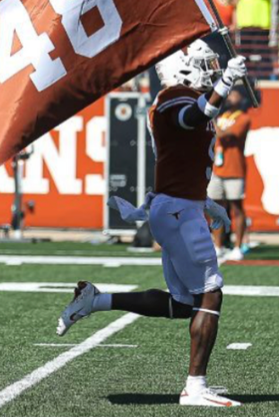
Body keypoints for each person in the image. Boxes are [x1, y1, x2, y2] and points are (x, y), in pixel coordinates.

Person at [58, 42, 247, 407]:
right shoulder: (174, 97)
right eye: (204, 63)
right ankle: (195, 388)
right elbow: (193, 117)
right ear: (183, 69)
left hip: (180, 206)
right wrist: (226, 82)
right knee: (210, 293)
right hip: (179, 212)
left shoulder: (179, 98)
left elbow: (182, 159)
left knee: (183, 304)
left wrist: (208, 203)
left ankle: (96, 300)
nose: (210, 69)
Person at [208, 87, 252, 261]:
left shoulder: (243, 118)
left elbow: (226, 136)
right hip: (217, 169)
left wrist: (211, 118)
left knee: (237, 208)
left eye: (234, 94)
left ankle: (238, 247)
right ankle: (218, 246)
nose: (230, 97)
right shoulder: (223, 116)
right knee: (216, 209)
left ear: (242, 99)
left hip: (234, 169)